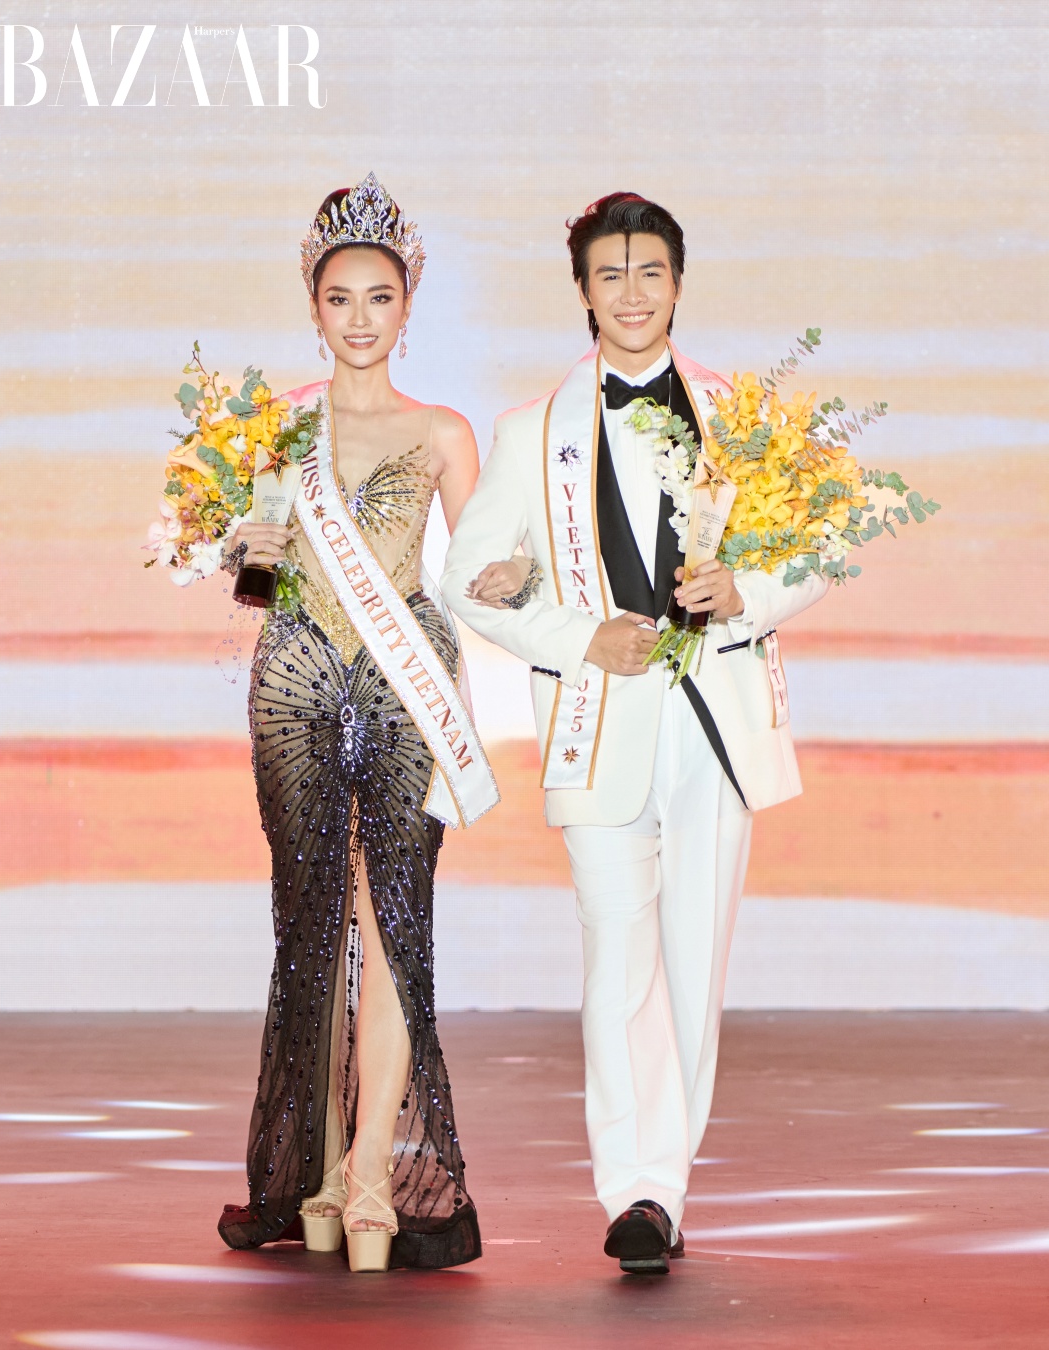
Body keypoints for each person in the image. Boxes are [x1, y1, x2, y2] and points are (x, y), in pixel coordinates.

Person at [441, 192, 829, 1274]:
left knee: (692, 961)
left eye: (649, 272)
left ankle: (668, 1183)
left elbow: (823, 548)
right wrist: (578, 637)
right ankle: (635, 1191)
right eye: (610, 274)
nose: (631, 293)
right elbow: (465, 579)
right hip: (597, 720)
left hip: (714, 716)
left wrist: (744, 593)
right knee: (617, 957)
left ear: (678, 283)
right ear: (582, 290)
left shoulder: (742, 415)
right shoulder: (531, 434)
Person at [217, 173, 508, 1272]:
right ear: (314, 306)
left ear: (407, 305)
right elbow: (247, 562)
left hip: (402, 684)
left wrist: (520, 579)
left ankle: (376, 1170)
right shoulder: (273, 429)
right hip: (294, 677)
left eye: (379, 297)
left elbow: (481, 573)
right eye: (339, 298)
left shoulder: (441, 432)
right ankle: (322, 1173)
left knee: (392, 919)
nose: (359, 317)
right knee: (310, 927)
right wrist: (238, 549)